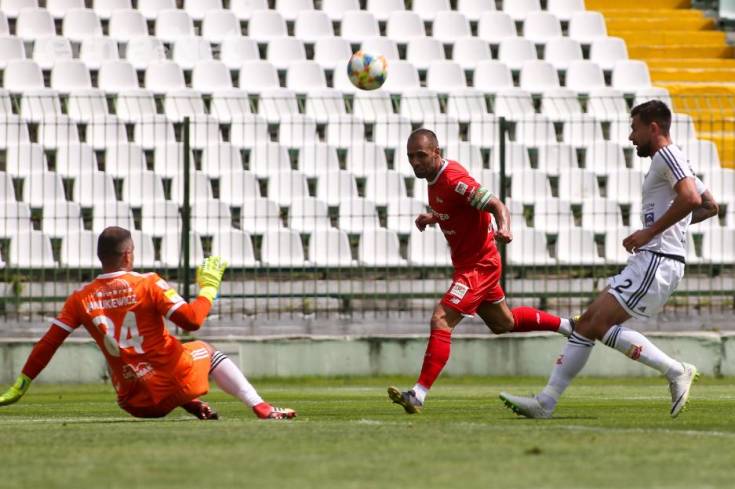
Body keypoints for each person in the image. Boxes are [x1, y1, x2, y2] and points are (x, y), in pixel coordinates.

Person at [499, 100, 719, 419]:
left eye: (634, 129)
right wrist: (670, 228)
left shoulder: (667, 155)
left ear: (653, 128)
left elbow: (692, 199)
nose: (631, 137)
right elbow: (709, 206)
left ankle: (675, 370)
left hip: (658, 260)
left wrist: (651, 232)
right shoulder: (674, 158)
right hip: (656, 258)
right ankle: (545, 402)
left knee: (595, 324)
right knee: (588, 323)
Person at [0, 226, 295, 420]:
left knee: (134, 359)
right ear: (128, 254)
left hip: (134, 402)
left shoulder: (80, 298)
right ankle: (261, 407)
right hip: (175, 382)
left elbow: (48, 343)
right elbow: (192, 320)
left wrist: (21, 384)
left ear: (100, 257)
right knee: (206, 350)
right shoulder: (148, 283)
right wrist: (208, 288)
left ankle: (191, 404)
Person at [388, 129, 575, 414]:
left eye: (421, 155)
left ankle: (418, 394)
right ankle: (568, 326)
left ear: (437, 153)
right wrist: (433, 217)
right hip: (471, 264)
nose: (415, 162)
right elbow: (456, 209)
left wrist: (505, 227)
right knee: (503, 323)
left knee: (441, 319)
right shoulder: (435, 179)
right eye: (410, 156)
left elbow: (495, 204)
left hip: (479, 266)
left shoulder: (455, 180)